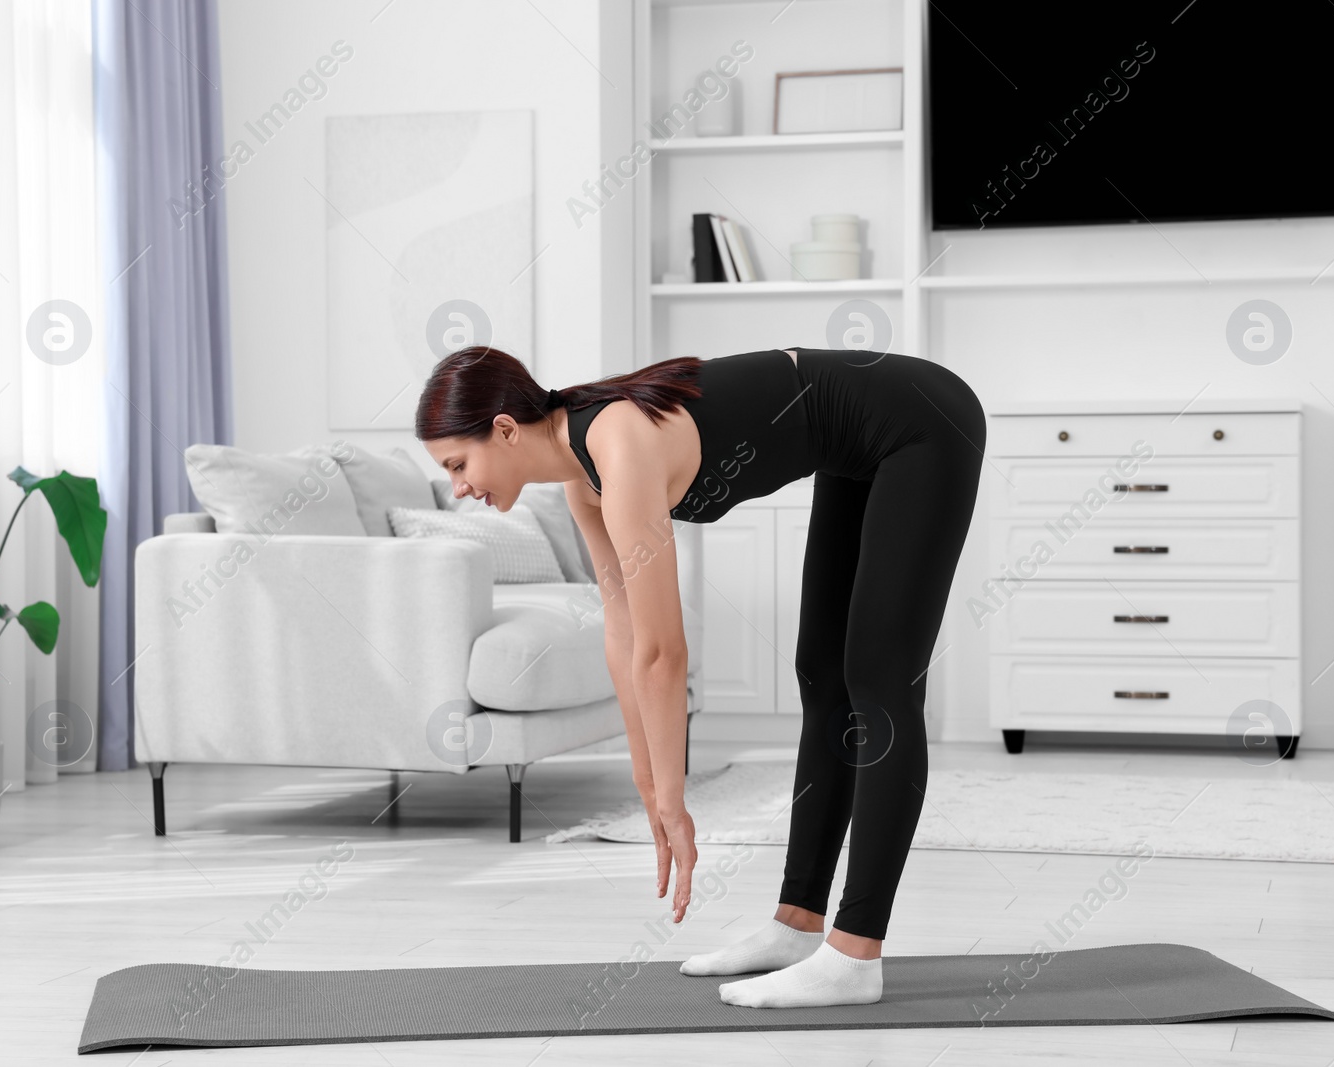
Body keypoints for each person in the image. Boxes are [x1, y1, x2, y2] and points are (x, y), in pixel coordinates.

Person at [416, 344, 986, 1008]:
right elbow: (624, 632)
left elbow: (664, 653)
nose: (458, 487)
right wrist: (646, 782)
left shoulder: (617, 443)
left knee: (879, 677)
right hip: (857, 444)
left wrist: (676, 802)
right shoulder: (583, 476)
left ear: (506, 429)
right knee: (823, 676)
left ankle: (856, 954)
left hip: (922, 420)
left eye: (458, 463)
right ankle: (797, 924)